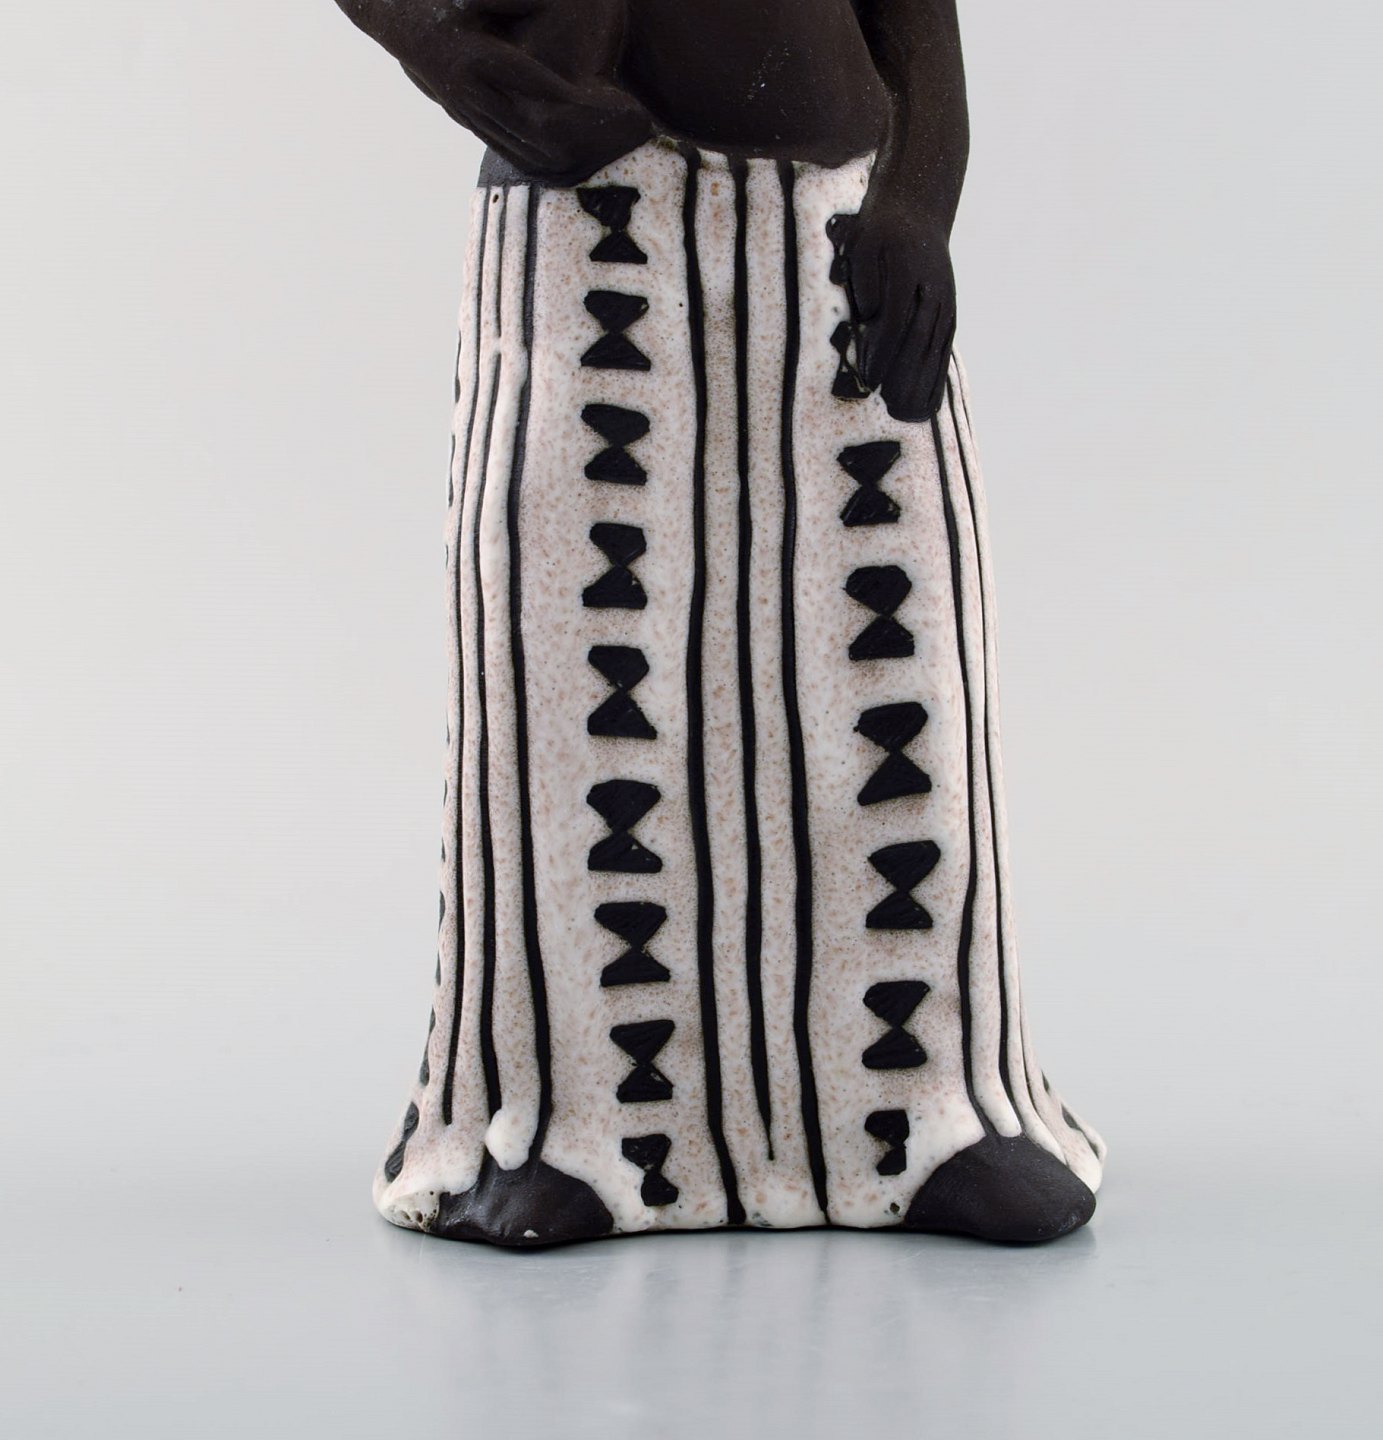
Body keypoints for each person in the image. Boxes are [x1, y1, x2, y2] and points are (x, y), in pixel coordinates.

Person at [333, 0, 1105, 1246]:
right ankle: (558, 1121)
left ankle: (924, 1112)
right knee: (577, 676)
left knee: (891, 660)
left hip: (835, 235)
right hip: (586, 232)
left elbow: (916, 18)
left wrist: (917, 202)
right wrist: (457, 56)